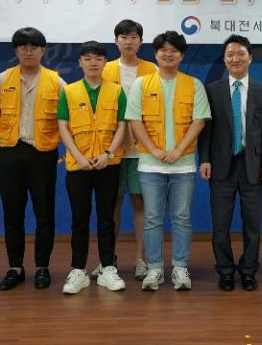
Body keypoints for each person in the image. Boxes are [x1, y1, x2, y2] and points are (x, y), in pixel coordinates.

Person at [125, 31, 210, 291]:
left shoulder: (194, 84)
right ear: (156, 54)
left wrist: (178, 150)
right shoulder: (141, 84)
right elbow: (134, 120)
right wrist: (153, 149)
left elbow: (199, 120)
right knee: (152, 218)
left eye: (174, 50)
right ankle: (154, 269)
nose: (168, 54)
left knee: (181, 218)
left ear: (181, 55)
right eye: (163, 50)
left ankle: (180, 268)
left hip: (183, 165)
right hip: (150, 164)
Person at [0, 27, 66, 291]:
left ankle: (42, 267)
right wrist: (6, 136)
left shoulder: (57, 83)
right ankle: (15, 267)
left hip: (43, 153)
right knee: (12, 211)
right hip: (11, 151)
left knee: (44, 212)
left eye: (34, 47)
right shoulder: (2, 80)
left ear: (43, 50)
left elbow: (65, 121)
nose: (29, 51)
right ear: (16, 51)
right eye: (23, 47)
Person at [198, 34, 262, 292]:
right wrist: (204, 159)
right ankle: (225, 270)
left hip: (253, 165)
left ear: (250, 58)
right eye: (230, 55)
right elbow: (206, 131)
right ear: (224, 59)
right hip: (221, 165)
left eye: (241, 54)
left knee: (252, 224)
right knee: (220, 223)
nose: (235, 59)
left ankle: (248, 270)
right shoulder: (212, 90)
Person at [58, 41, 128, 294]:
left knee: (106, 218)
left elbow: (122, 125)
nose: (93, 63)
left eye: (98, 58)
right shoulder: (69, 91)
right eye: (87, 59)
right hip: (78, 165)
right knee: (80, 219)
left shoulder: (117, 91)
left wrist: (108, 154)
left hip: (108, 164)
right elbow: (63, 126)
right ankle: (78, 270)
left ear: (105, 62)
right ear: (80, 62)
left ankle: (107, 268)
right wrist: (78, 156)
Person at [89, 19, 155, 282]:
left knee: (140, 203)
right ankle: (108, 259)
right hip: (110, 149)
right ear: (115, 41)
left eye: (133, 37)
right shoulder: (105, 69)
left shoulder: (151, 69)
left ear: (141, 41)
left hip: (142, 150)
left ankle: (141, 260)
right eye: (124, 37)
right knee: (110, 205)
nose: (129, 41)